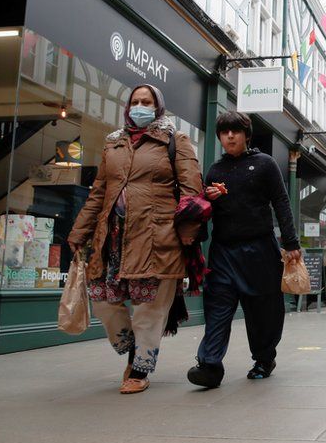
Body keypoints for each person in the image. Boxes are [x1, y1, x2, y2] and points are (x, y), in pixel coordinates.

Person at [68, 84, 203, 394]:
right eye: (135, 101)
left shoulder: (175, 141)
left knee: (149, 306)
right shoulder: (113, 144)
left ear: (158, 107)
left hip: (157, 236)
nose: (140, 106)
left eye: (147, 101)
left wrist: (185, 234)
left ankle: (141, 366)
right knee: (103, 299)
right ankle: (131, 349)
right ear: (127, 107)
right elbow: (99, 193)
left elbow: (192, 192)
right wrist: (79, 232)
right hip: (112, 236)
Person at [187, 111, 301, 388]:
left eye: (235, 131)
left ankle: (264, 358)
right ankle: (210, 365)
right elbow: (203, 213)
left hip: (259, 249)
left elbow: (281, 202)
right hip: (223, 250)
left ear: (246, 135)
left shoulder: (264, 164)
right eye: (224, 132)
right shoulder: (215, 171)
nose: (229, 136)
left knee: (263, 308)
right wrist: (207, 199)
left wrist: (291, 243)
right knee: (217, 307)